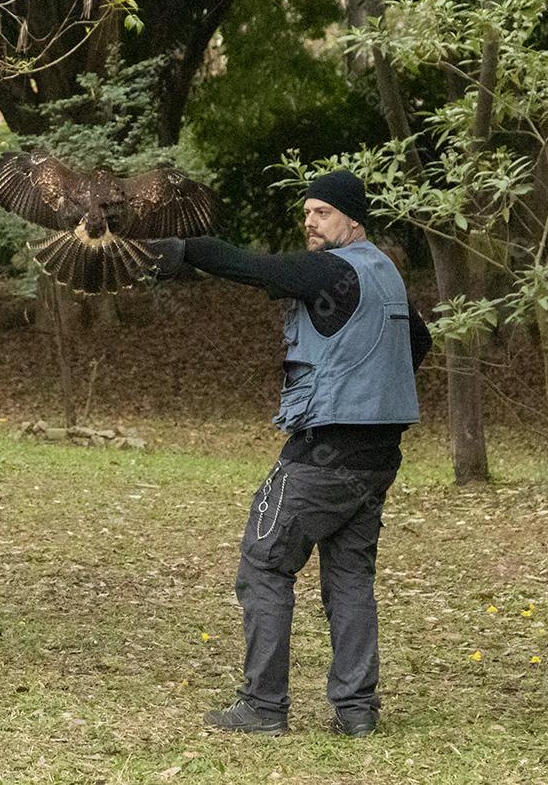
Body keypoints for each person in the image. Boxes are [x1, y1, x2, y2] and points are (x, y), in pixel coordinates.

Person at [148, 170, 431, 737]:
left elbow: (256, 268)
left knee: (264, 561)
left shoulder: (332, 270)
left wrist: (181, 250)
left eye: (323, 212)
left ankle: (262, 706)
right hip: (378, 455)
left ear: (353, 219)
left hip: (324, 452)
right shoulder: (385, 274)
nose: (310, 222)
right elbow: (417, 340)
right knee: (349, 575)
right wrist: (368, 381)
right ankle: (356, 711)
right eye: (307, 212)